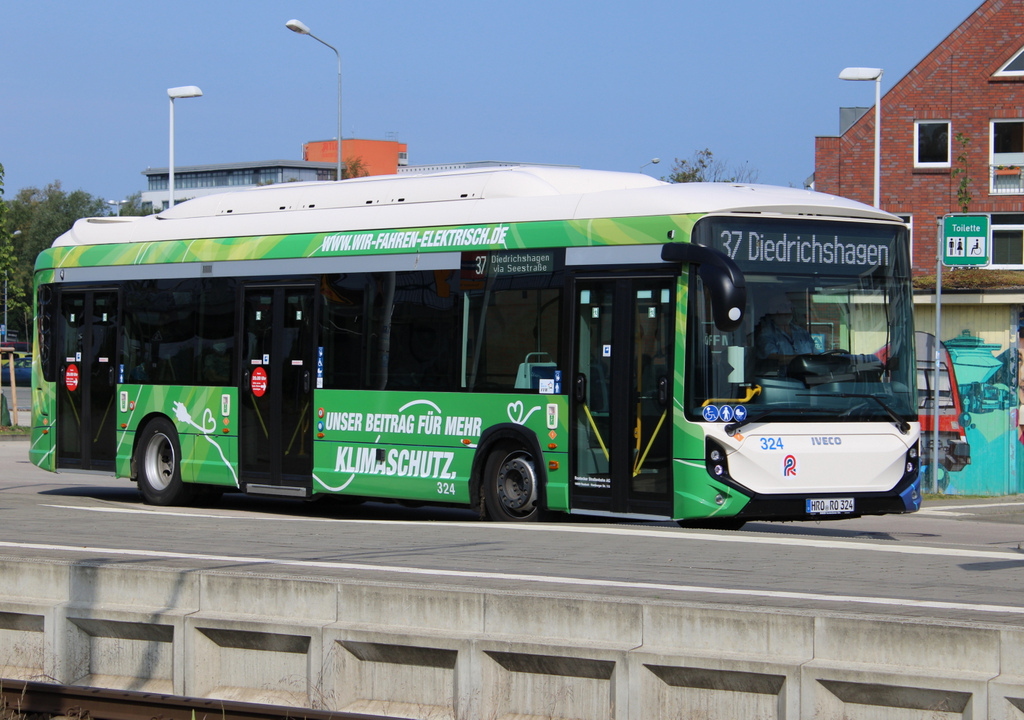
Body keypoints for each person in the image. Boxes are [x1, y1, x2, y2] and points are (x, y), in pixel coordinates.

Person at [755, 294, 815, 370]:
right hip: (781, 379)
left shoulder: (802, 332)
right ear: (772, 310)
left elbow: (815, 354)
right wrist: (803, 358)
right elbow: (773, 359)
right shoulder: (766, 334)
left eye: (790, 306)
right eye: (783, 307)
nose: (789, 310)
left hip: (809, 377)